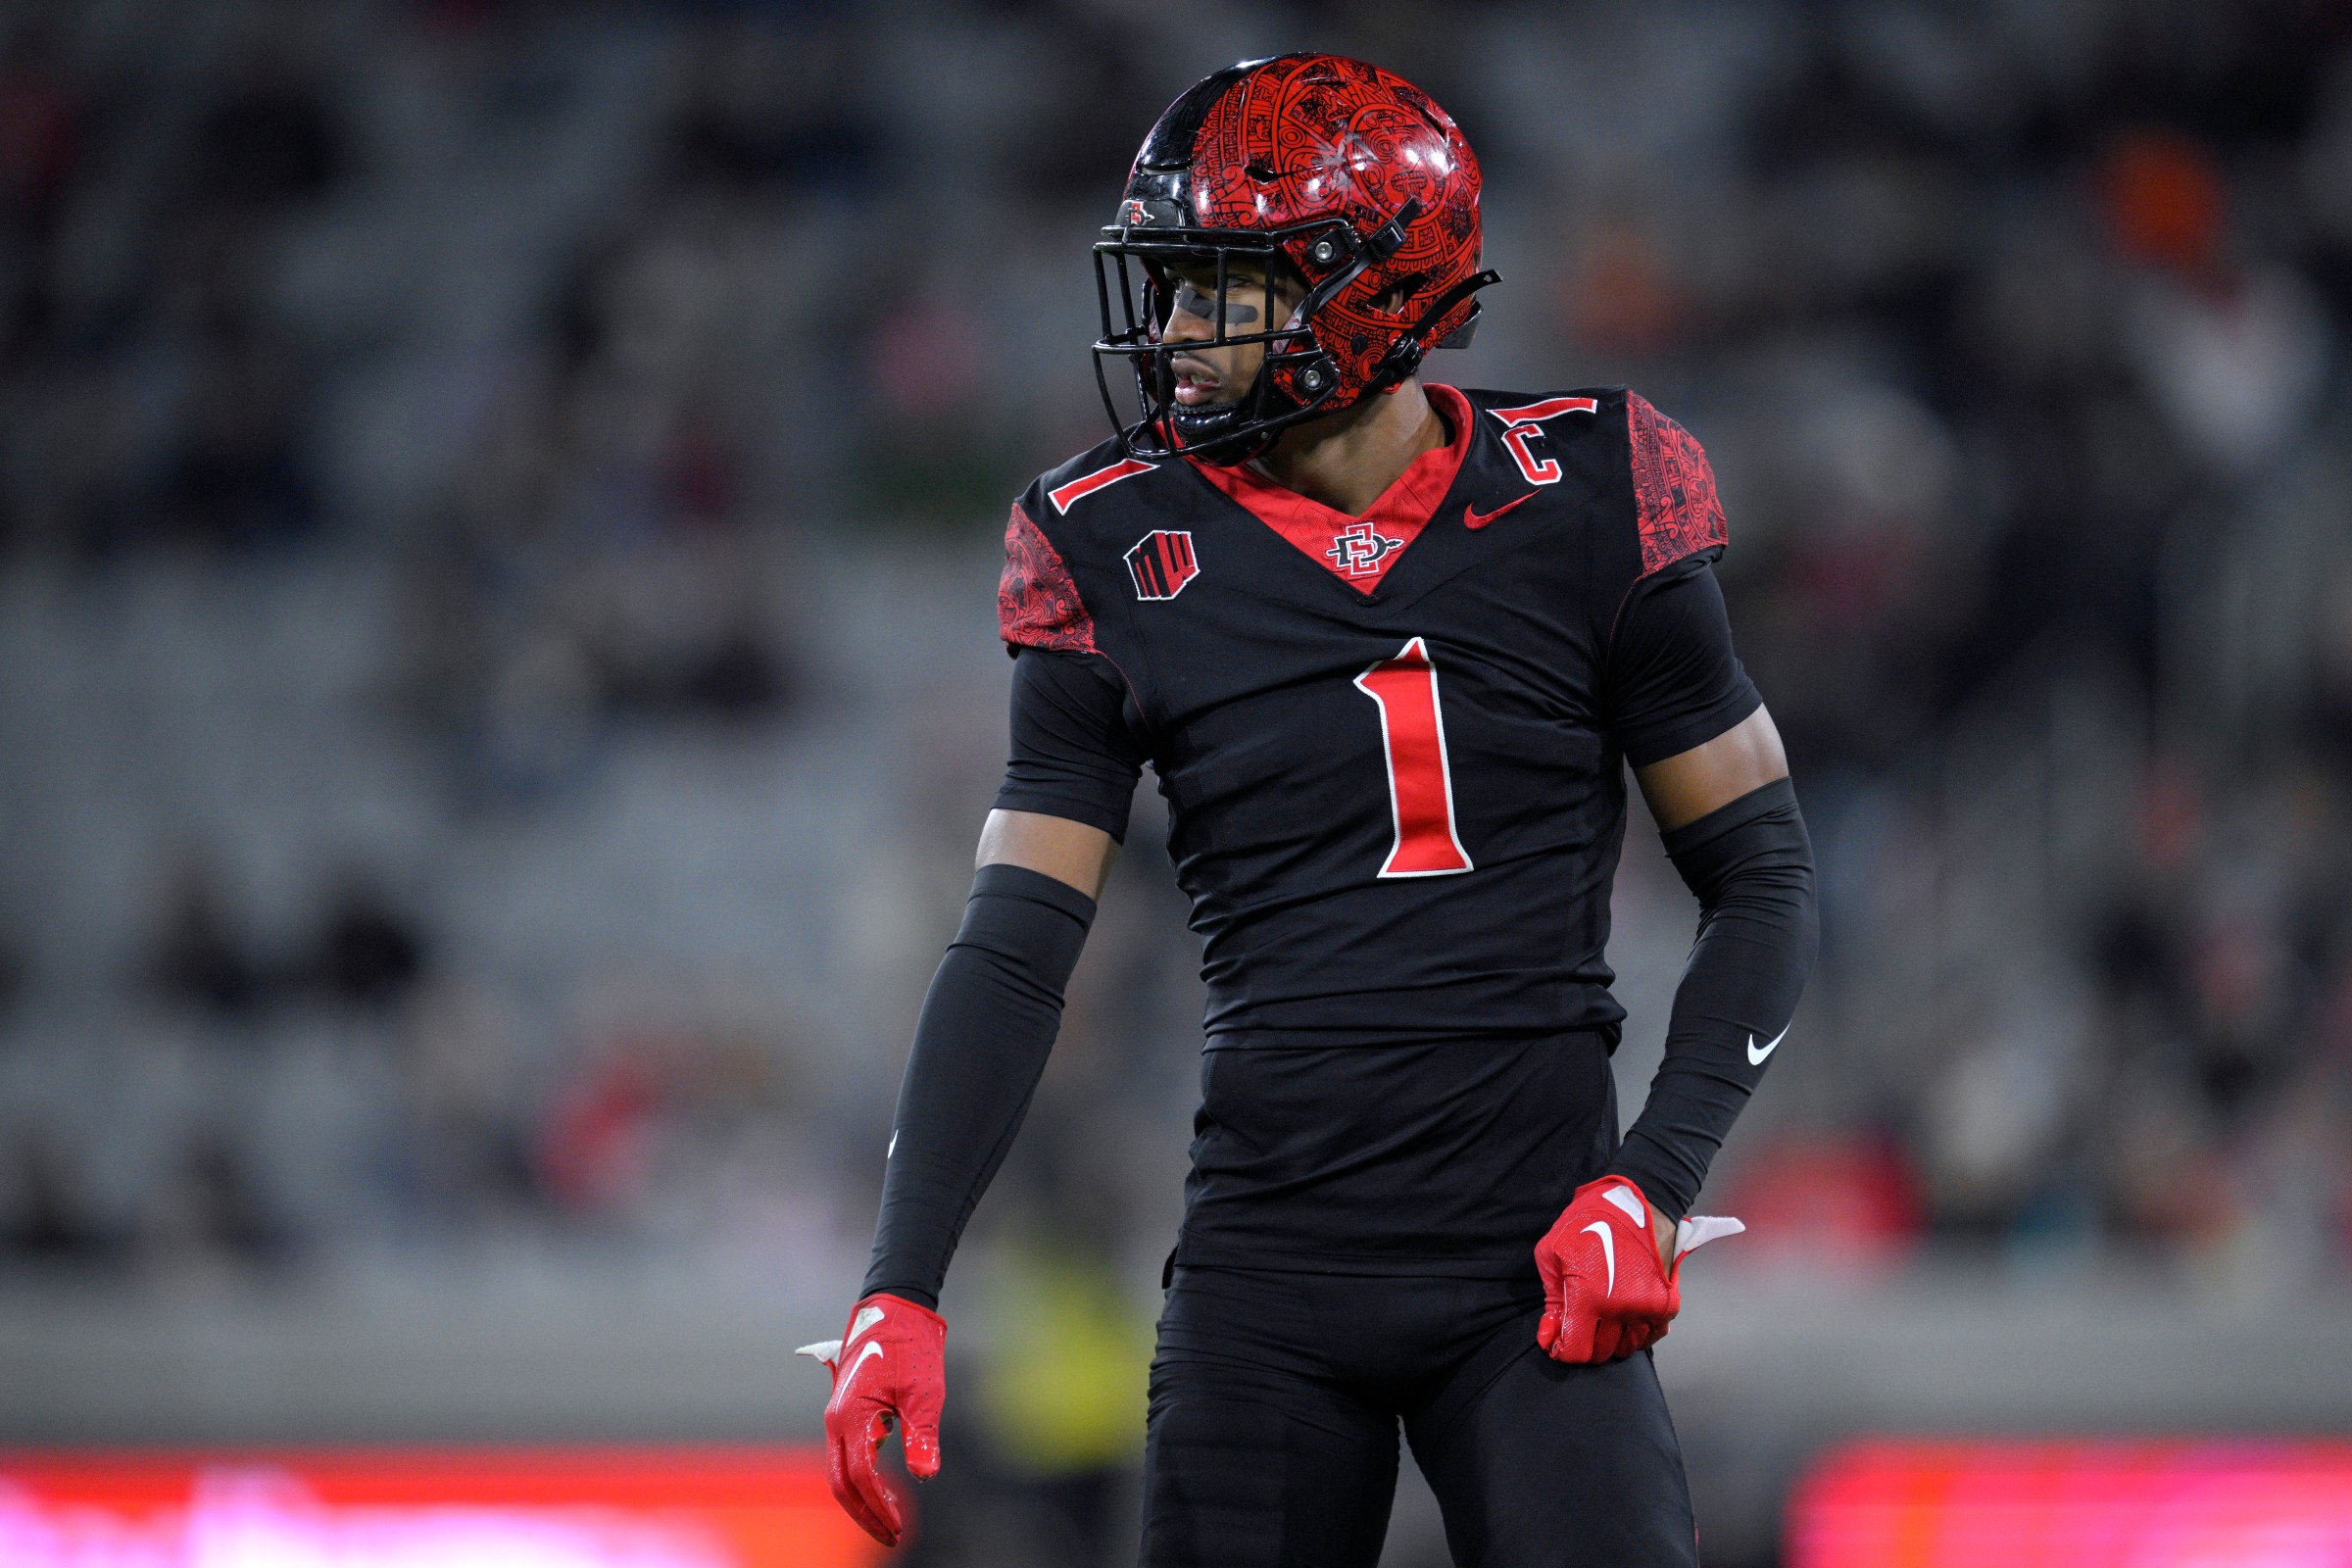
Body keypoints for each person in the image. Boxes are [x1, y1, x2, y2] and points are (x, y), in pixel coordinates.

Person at [804, 53, 1818, 1567]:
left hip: (1535, 1262)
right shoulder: (1108, 539)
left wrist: (1655, 1184)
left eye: (1222, 285)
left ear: (1373, 291)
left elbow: (1766, 876)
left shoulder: (1598, 487)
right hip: (1269, 1271)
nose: (1175, 332)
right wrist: (903, 1278)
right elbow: (1017, 946)